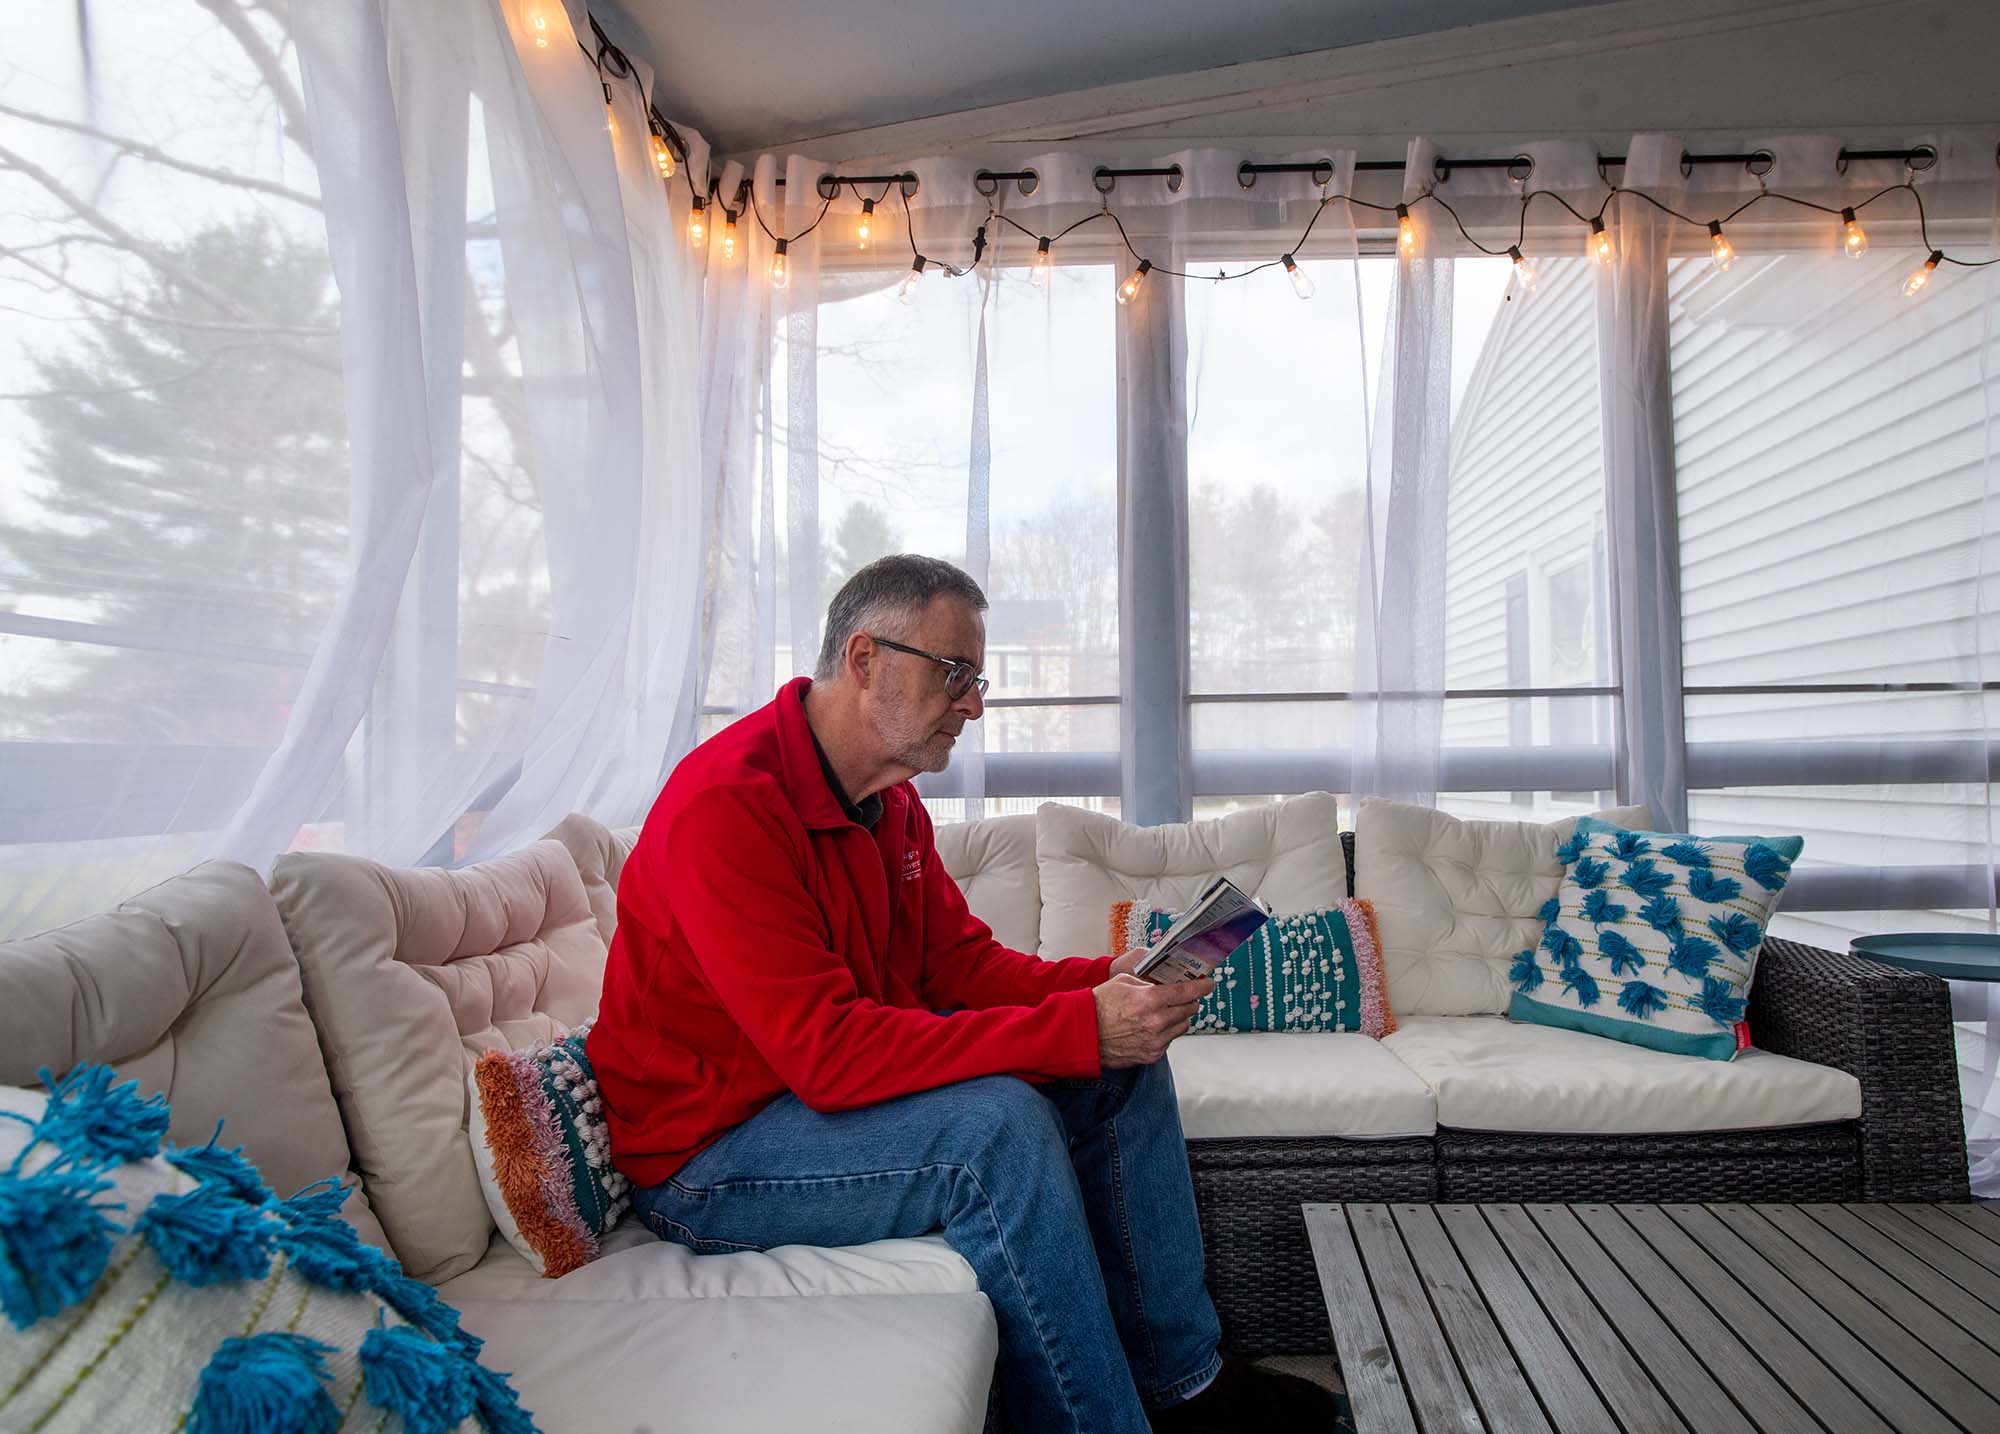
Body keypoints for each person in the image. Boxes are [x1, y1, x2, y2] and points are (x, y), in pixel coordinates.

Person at [590, 555, 1333, 1433]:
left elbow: (963, 969)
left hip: (803, 1101)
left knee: (1124, 1068)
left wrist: (1105, 985)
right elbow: (829, 1055)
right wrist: (1076, 1028)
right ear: (865, 659)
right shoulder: (727, 807)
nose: (975, 704)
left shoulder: (893, 804)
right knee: (997, 1131)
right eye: (955, 674)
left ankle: (1185, 1388)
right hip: (709, 1155)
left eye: (977, 679)